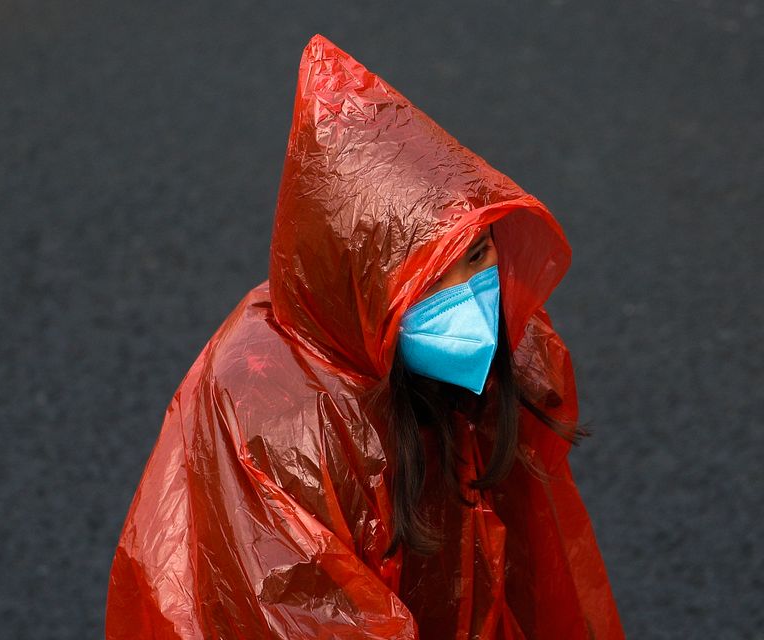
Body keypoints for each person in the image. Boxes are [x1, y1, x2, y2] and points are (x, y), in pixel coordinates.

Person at [105, 33, 625, 639]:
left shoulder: (517, 347)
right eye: (430, 279)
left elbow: (534, 562)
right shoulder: (274, 417)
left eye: (477, 253)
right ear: (362, 285)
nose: (472, 297)